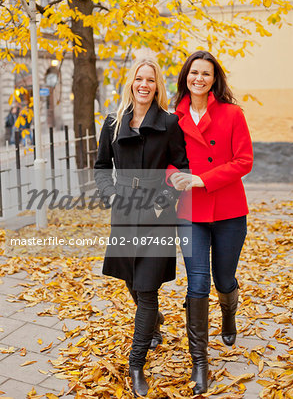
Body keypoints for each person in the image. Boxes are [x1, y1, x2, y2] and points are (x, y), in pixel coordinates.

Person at [94, 58, 189, 397]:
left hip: (157, 213)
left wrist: (166, 196)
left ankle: (136, 364)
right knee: (132, 282)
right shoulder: (112, 122)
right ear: (131, 82)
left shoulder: (169, 122)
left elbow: (181, 166)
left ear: (156, 85)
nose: (144, 84)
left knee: (147, 289)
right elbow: (102, 167)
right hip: (124, 210)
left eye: (150, 79)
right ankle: (154, 322)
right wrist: (109, 196)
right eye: (139, 78)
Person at [169, 50, 253, 395]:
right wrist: (173, 177)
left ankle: (229, 309)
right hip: (191, 212)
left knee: (223, 277)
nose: (199, 78)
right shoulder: (171, 118)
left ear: (214, 79)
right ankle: (200, 362)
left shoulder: (232, 114)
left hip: (230, 209)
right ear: (186, 77)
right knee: (198, 282)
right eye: (194, 73)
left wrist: (204, 179)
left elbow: (244, 160)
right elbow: (165, 161)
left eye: (206, 73)